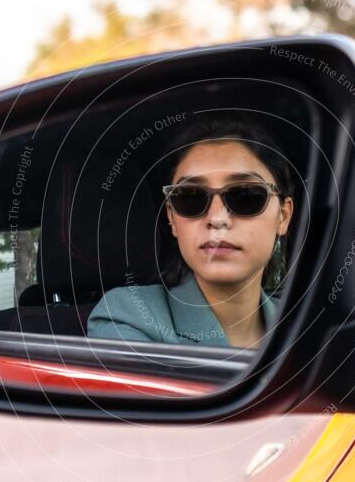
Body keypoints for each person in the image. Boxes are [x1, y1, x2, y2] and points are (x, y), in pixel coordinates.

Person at [87, 117, 295, 349]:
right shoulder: (128, 316)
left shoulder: (302, 324)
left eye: (245, 196)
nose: (217, 219)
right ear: (172, 218)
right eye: (190, 197)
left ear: (283, 216)